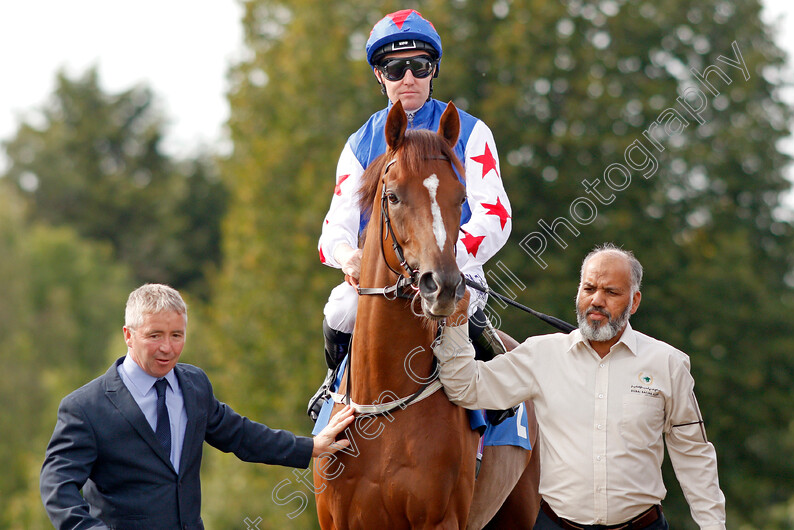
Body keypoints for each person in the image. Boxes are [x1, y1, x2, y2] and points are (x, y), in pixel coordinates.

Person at [310, 8, 513, 423]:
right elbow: (335, 227)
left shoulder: (471, 132)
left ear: (433, 70)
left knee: (463, 309)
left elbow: (495, 215)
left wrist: (443, 258)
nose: (408, 78)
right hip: (381, 281)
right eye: (395, 67)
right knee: (340, 310)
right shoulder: (359, 144)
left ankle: (496, 416)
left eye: (419, 66)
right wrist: (350, 258)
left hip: (452, 272)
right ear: (379, 76)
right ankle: (333, 385)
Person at [433, 244, 726, 529]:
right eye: (589, 289)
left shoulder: (668, 363)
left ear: (634, 301)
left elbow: (694, 455)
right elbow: (465, 387)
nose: (597, 300)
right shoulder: (541, 354)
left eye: (611, 292)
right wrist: (457, 319)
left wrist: (713, 525)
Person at [40, 283, 355, 530]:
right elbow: (58, 488)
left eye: (177, 335)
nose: (168, 347)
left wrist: (311, 446)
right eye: (155, 335)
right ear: (129, 335)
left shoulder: (194, 385)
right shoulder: (84, 408)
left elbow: (240, 435)